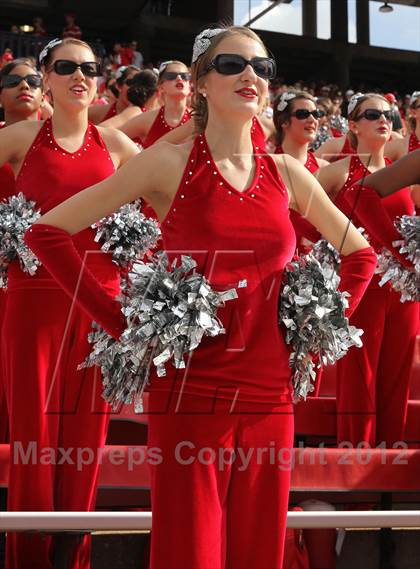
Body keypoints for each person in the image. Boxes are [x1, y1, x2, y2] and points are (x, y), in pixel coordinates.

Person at [23, 26, 376, 569]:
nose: (252, 75)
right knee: (191, 549)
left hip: (269, 392)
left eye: (262, 65)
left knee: (261, 549)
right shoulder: (168, 162)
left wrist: (315, 337)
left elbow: (361, 256)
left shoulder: (287, 173)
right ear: (203, 82)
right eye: (234, 64)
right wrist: (121, 324)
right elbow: (47, 232)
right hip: (189, 394)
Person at [0, 37, 139, 569]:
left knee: (86, 435)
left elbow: (172, 201)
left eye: (89, 68)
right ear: (47, 77)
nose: (80, 75)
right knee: (34, 434)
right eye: (66, 67)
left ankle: (71, 555)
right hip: (33, 305)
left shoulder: (119, 147)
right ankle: (27, 556)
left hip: (97, 309)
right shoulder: (21, 138)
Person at [316, 93, 418, 448]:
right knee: (361, 376)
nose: (384, 120)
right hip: (364, 287)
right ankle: (354, 461)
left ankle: (389, 462)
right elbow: (298, 215)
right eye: (372, 114)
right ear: (353, 125)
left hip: (404, 292)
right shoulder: (336, 172)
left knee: (397, 377)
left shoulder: (398, 167)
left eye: (389, 114)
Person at [0, 58, 44, 446]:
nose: (24, 86)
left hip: (35, 277)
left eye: (33, 80)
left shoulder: (59, 144)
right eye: (14, 81)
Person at [116, 60, 191, 147]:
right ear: (161, 87)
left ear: (189, 86)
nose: (179, 78)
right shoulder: (147, 119)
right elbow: (111, 139)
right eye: (171, 76)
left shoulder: (199, 120)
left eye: (185, 76)